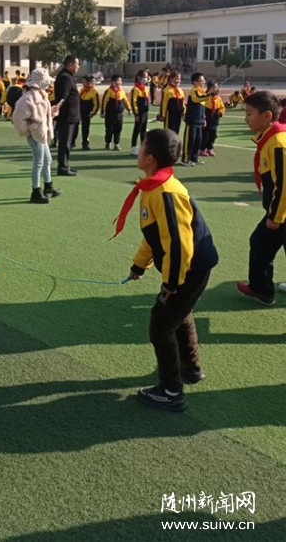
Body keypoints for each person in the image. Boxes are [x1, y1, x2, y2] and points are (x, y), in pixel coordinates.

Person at [115, 129, 218, 412]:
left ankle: (171, 391)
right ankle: (191, 367)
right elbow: (155, 236)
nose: (138, 151)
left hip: (190, 268)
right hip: (188, 268)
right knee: (179, 315)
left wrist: (171, 283)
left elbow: (178, 244)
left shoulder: (166, 192)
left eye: (142, 147)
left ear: (150, 158)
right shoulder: (153, 187)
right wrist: (139, 265)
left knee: (161, 326)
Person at [236, 91, 286, 306]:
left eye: (249, 114)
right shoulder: (269, 139)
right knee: (260, 242)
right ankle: (261, 288)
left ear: (267, 116)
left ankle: (261, 288)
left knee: (261, 242)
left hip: (282, 213)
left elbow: (284, 185)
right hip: (278, 211)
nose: (245, 119)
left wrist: (275, 216)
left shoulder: (278, 143)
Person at [12, 68, 62, 204]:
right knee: (39, 161)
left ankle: (48, 186)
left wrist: (52, 112)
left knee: (47, 159)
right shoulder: (29, 98)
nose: (49, 84)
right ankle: (36, 191)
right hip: (36, 134)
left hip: (40, 133)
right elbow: (17, 118)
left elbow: (41, 115)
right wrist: (28, 131)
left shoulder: (40, 95)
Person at [54, 55, 80, 176]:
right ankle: (62, 167)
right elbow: (62, 98)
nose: (78, 67)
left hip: (70, 115)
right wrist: (56, 109)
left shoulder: (67, 76)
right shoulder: (65, 77)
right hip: (67, 116)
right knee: (65, 143)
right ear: (70, 64)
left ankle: (65, 164)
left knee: (68, 142)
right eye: (77, 64)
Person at [181, 72, 212, 166]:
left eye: (203, 80)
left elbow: (202, 107)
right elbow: (197, 99)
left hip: (199, 121)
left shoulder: (202, 92)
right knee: (190, 141)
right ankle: (185, 160)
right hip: (192, 121)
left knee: (198, 141)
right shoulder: (193, 91)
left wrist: (204, 118)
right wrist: (209, 95)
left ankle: (194, 158)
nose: (203, 82)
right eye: (200, 81)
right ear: (194, 82)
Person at [100, 74, 132, 151]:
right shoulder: (109, 91)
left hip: (119, 114)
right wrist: (102, 111)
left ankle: (116, 144)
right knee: (109, 129)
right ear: (113, 82)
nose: (120, 82)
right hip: (110, 114)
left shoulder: (122, 91)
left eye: (121, 80)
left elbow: (126, 100)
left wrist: (129, 109)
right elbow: (104, 101)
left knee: (118, 129)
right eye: (118, 80)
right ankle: (107, 143)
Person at [200, 80, 225, 157]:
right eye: (213, 87)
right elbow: (201, 107)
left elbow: (222, 107)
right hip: (206, 118)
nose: (216, 89)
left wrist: (220, 112)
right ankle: (202, 149)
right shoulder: (205, 97)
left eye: (216, 87)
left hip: (214, 119)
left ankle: (209, 148)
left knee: (213, 135)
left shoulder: (218, 98)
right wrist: (203, 117)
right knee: (205, 135)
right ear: (209, 88)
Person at [130, 69, 150, 156]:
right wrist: (136, 114)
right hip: (139, 112)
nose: (146, 79)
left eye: (147, 77)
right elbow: (133, 102)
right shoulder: (135, 89)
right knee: (137, 129)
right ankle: (133, 147)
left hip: (145, 112)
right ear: (139, 77)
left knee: (143, 130)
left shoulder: (145, 88)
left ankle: (143, 147)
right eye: (144, 77)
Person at [78, 75, 99, 151]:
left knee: (85, 129)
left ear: (89, 82)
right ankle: (72, 142)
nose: (82, 83)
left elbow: (96, 104)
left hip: (87, 113)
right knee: (75, 127)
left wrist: (93, 113)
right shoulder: (82, 90)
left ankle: (85, 143)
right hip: (79, 111)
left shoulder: (94, 92)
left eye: (84, 82)